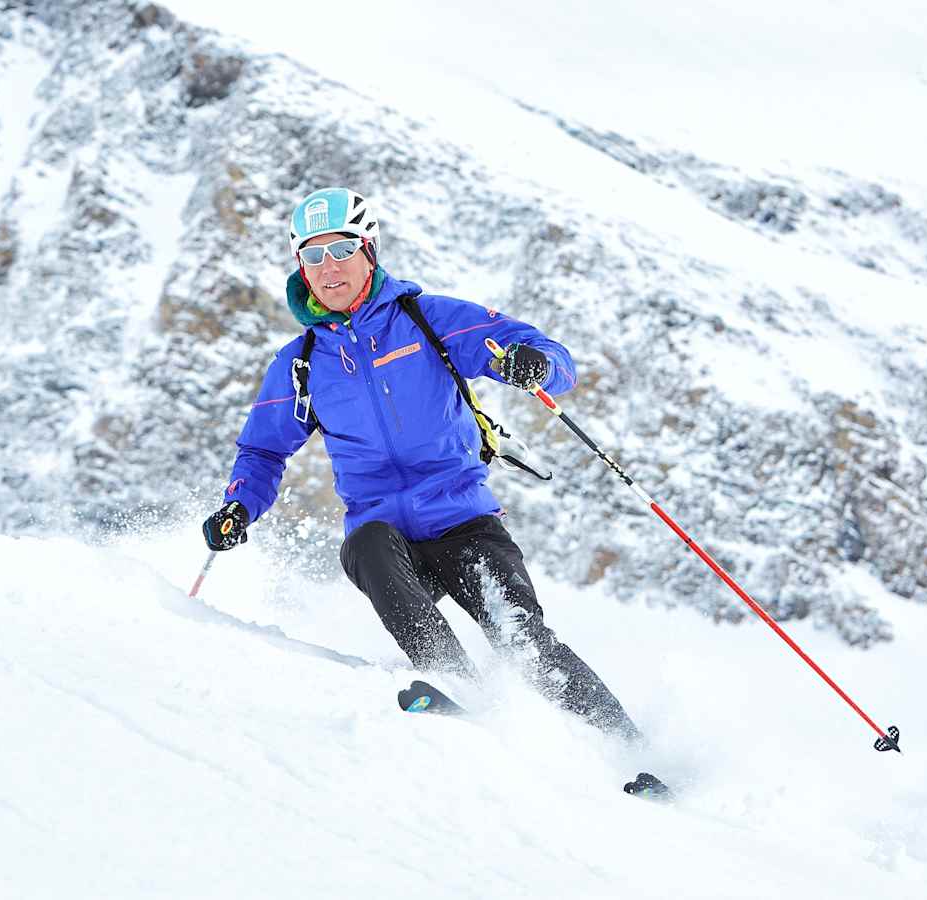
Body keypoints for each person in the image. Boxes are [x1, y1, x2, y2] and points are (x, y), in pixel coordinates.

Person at [202, 187, 644, 744]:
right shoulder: (302, 364)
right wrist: (239, 505)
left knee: (520, 635)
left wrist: (537, 365)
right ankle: (460, 692)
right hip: (385, 542)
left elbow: (541, 351)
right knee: (366, 545)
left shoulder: (427, 320)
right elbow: (264, 449)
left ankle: (627, 747)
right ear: (300, 268)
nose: (328, 267)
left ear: (369, 250)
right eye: (312, 256)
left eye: (340, 249)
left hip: (464, 523)